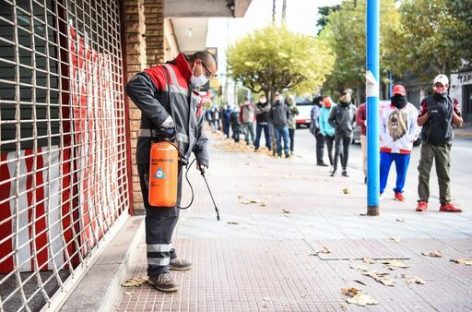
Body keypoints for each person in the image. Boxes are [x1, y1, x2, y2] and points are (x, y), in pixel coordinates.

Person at [125, 50, 217, 292]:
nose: (206, 79)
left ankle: (167, 253)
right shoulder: (167, 73)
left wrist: (202, 155)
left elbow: (198, 130)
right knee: (161, 209)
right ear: (197, 63)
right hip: (157, 156)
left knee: (171, 208)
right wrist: (164, 119)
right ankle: (158, 271)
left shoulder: (193, 92)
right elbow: (135, 86)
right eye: (207, 73)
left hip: (175, 158)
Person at [416, 74, 463, 213]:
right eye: (437, 85)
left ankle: (445, 203)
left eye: (442, 85)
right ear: (433, 86)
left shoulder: (453, 101)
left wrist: (451, 112)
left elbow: (459, 123)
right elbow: (419, 122)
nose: (439, 88)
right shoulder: (427, 101)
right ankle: (423, 201)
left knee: (444, 174)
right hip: (428, 143)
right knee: (424, 173)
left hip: (444, 144)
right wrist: (429, 113)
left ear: (447, 86)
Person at [379, 85, 419, 201]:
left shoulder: (411, 109)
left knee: (402, 172)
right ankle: (379, 191)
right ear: (392, 96)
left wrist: (412, 136)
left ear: (404, 95)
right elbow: (381, 125)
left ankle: (398, 191)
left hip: (404, 147)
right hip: (387, 147)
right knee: (382, 169)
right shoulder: (386, 109)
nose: (398, 98)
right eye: (396, 95)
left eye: (400, 95)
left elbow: (416, 126)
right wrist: (382, 136)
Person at [328, 89, 356, 177]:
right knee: (337, 150)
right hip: (339, 132)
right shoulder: (335, 108)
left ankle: (344, 169)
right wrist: (336, 127)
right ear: (341, 97)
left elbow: (355, 120)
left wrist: (353, 126)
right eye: (344, 96)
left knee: (346, 150)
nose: (346, 98)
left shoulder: (353, 108)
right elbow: (330, 120)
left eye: (348, 96)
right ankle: (335, 169)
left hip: (349, 132)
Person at [270, 92, 291, 158]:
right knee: (278, 140)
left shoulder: (285, 106)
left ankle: (287, 152)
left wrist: (287, 121)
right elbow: (270, 116)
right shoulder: (273, 106)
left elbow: (289, 114)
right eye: (276, 96)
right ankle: (279, 153)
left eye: (278, 96)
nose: (277, 97)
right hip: (276, 127)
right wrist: (273, 122)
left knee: (286, 140)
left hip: (284, 126)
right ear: (275, 98)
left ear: (281, 97)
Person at [310, 95, 328, 166]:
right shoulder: (316, 108)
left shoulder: (318, 107)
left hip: (318, 128)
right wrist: (318, 128)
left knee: (320, 144)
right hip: (318, 129)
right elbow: (315, 118)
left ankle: (319, 160)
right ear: (320, 101)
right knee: (320, 145)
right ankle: (320, 161)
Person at [318, 97, 336, 167]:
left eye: (328, 106)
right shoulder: (322, 110)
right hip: (327, 133)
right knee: (329, 150)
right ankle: (332, 165)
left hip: (335, 132)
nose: (327, 107)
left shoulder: (335, 108)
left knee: (338, 150)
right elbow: (321, 122)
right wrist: (323, 132)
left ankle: (342, 166)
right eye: (326, 106)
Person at [356, 103, 367, 183]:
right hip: (365, 135)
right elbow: (358, 120)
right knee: (366, 156)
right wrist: (366, 122)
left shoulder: (379, 106)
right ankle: (367, 175)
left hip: (377, 135)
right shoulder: (362, 107)